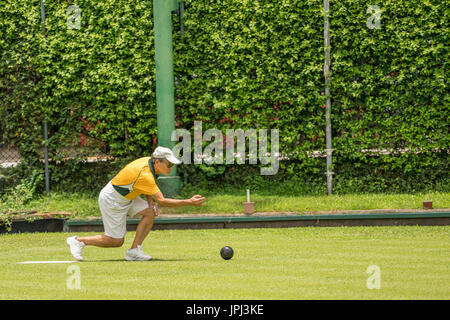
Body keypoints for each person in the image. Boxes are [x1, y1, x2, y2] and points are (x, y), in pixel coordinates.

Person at [66, 146, 205, 261]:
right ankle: (78, 241)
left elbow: (145, 188)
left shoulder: (148, 163)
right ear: (158, 162)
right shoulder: (145, 174)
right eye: (169, 164)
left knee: (150, 212)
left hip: (127, 197)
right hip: (112, 200)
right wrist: (189, 202)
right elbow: (162, 201)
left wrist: (150, 202)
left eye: (172, 164)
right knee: (116, 241)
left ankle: (134, 251)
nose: (171, 167)